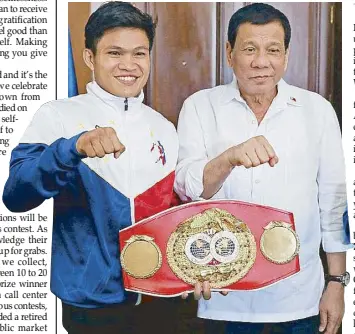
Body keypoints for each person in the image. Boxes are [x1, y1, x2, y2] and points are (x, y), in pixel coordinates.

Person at [2, 2, 178, 333]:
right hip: (92, 307)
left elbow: (170, 213)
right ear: (89, 58)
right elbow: (15, 195)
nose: (129, 65)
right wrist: (72, 148)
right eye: (115, 53)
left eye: (139, 54)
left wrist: (195, 269)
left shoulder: (164, 128)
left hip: (160, 300)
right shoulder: (57, 115)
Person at [175, 3, 350, 334]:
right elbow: (187, 190)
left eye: (273, 50)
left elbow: (334, 204)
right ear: (229, 53)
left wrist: (337, 283)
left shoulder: (317, 111)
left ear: (285, 55)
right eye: (249, 49)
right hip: (223, 296)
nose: (261, 62)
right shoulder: (200, 107)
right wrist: (229, 158)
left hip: (301, 297)